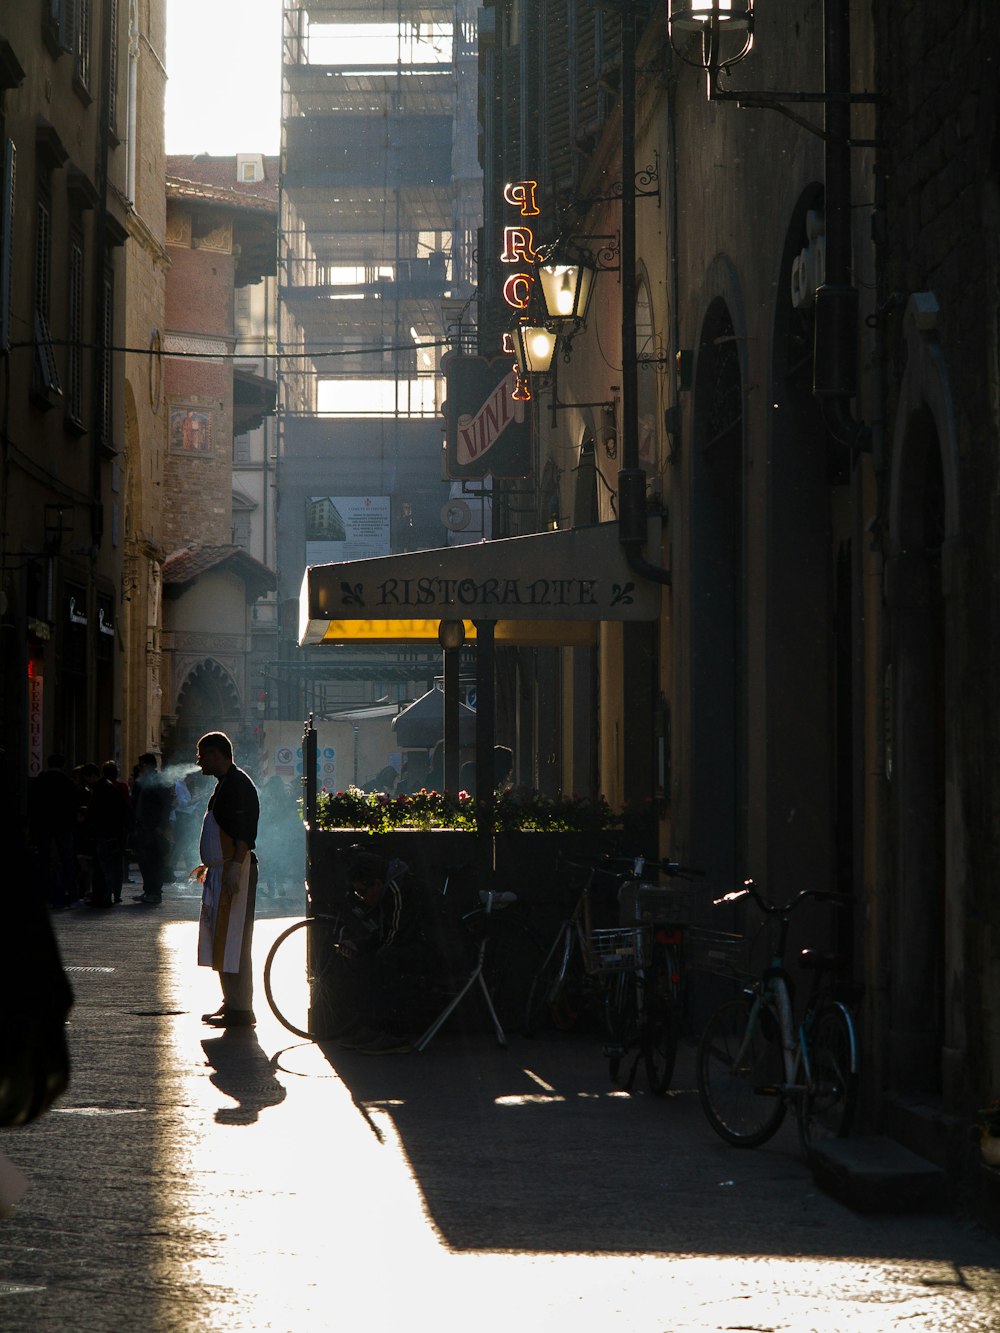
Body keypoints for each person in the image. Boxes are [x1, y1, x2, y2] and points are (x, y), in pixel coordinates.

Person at [334, 851, 442, 1054]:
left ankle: (395, 1034)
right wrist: (361, 945)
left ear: (376, 884)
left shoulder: (397, 890)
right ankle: (374, 1027)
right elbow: (386, 932)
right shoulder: (387, 889)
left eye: (363, 892)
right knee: (373, 956)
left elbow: (397, 934)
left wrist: (370, 949)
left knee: (386, 959)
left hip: (434, 947)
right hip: (415, 942)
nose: (362, 898)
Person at [195, 732, 259, 1029]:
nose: (199, 761)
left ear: (218, 754)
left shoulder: (239, 784)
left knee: (235, 938)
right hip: (221, 872)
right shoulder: (223, 785)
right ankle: (230, 1001)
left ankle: (241, 1008)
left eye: (203, 754)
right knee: (220, 936)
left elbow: (245, 830)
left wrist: (234, 866)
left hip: (236, 872)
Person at [26, 753, 80, 908]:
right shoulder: (66, 782)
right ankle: (72, 897)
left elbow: (32, 804)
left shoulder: (39, 781)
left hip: (43, 826)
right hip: (63, 826)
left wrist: (30, 825)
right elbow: (74, 804)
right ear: (62, 765)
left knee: (44, 861)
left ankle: (45, 897)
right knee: (67, 861)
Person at [131, 753, 173, 906]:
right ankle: (148, 890)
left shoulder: (159, 781)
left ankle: (155, 892)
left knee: (154, 861)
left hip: (153, 829)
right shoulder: (143, 782)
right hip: (144, 828)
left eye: (142, 765)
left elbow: (166, 805)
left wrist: (160, 826)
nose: (140, 768)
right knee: (145, 861)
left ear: (149, 765)